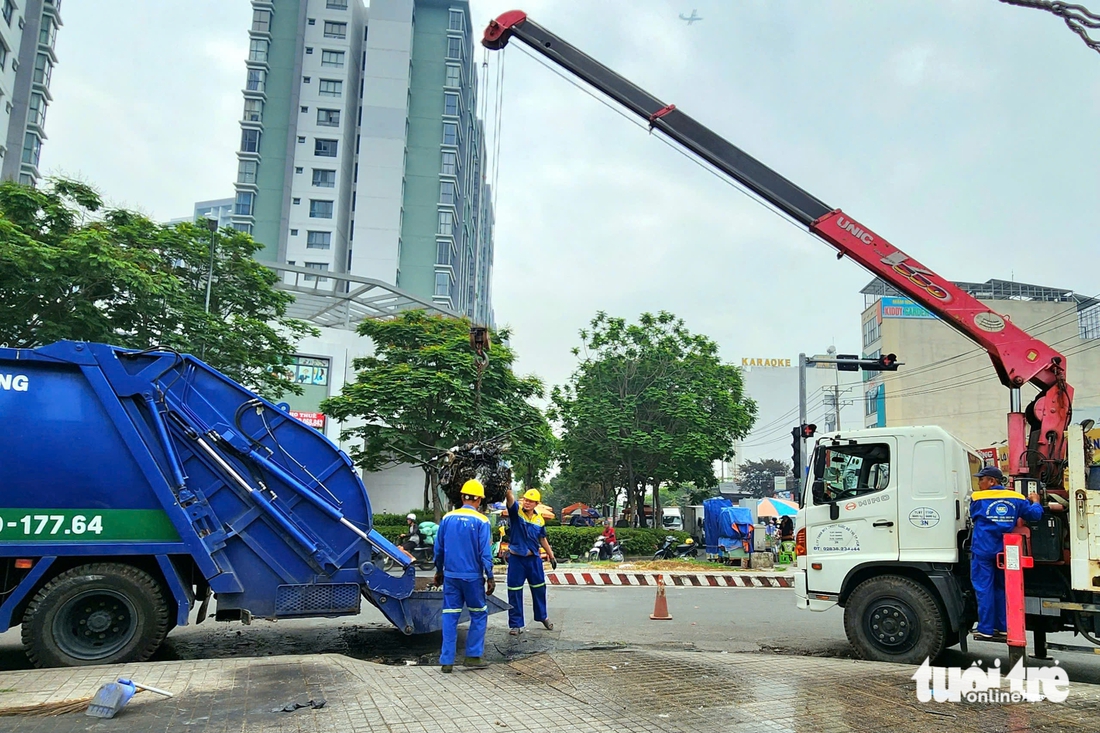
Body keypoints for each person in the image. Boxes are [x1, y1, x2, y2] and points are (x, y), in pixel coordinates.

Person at [969, 466, 1043, 642]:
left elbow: (973, 516)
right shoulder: (1016, 498)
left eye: (982, 479)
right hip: (1005, 551)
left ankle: (986, 628)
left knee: (983, 588)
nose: (979, 483)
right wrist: (1036, 500)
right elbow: (1034, 515)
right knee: (1003, 588)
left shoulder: (977, 498)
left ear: (992, 481)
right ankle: (1003, 627)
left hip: (983, 549)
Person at [433, 479, 495, 673]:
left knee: (450, 615)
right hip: (472, 578)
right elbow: (485, 552)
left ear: (462, 497)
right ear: (478, 500)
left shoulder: (447, 518)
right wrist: (490, 576)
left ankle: (447, 661)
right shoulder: (482, 521)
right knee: (478, 613)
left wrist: (439, 571)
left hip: (451, 577)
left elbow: (438, 549)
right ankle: (473, 656)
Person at [505, 487, 557, 635]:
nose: (527, 503)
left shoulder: (539, 519)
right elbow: (509, 499)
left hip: (534, 559)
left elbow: (542, 538)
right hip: (516, 559)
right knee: (514, 591)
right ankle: (516, 624)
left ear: (536, 504)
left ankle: (543, 616)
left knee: (539, 588)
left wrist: (551, 555)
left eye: (531, 501)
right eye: (525, 500)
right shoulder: (516, 512)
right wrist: (507, 487)